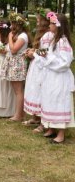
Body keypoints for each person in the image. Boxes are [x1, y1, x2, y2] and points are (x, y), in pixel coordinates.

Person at [37, 13, 75, 143]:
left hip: (59, 77)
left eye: (52, 23)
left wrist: (49, 58)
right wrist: (42, 56)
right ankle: (51, 127)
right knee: (50, 99)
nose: (50, 25)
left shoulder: (63, 41)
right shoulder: (53, 39)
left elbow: (65, 61)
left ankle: (61, 133)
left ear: (59, 25)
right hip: (51, 76)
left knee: (59, 102)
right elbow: (49, 55)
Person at [23, 9, 54, 133]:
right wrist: (31, 50)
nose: (36, 22)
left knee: (40, 91)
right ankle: (35, 118)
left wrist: (33, 53)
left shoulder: (48, 35)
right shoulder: (42, 33)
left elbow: (46, 52)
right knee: (34, 89)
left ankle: (43, 122)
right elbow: (40, 49)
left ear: (44, 22)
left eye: (38, 20)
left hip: (42, 67)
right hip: (37, 65)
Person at [1, 12, 32, 122]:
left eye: (13, 23)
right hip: (13, 63)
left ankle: (19, 115)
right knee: (16, 90)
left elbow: (14, 50)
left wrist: (9, 37)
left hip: (17, 64)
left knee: (19, 90)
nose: (11, 25)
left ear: (18, 24)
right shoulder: (17, 35)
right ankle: (19, 113)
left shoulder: (22, 36)